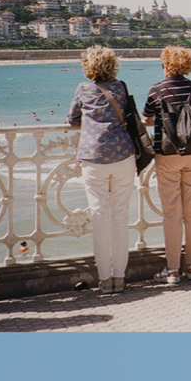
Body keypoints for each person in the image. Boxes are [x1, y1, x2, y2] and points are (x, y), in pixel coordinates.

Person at [66, 46, 137, 294]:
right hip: (122, 156)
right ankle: (119, 277)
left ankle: (104, 280)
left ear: (88, 65)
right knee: (120, 217)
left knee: (99, 216)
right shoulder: (121, 87)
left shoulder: (83, 89)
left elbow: (72, 119)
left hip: (93, 157)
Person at [143, 46, 191, 285]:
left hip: (168, 153)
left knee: (171, 212)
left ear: (166, 66)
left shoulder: (156, 89)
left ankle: (171, 270)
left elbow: (147, 115)